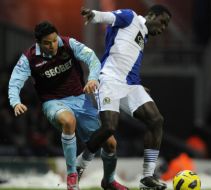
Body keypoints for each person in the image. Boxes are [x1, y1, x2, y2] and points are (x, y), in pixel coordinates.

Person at [8, 21, 128, 190]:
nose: (53, 45)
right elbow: (14, 83)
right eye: (47, 43)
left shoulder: (68, 43)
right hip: (53, 102)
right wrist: (15, 102)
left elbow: (92, 58)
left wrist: (93, 77)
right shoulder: (29, 58)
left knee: (110, 144)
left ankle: (108, 181)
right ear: (38, 43)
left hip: (81, 100)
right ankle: (72, 176)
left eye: (54, 40)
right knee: (68, 121)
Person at [80, 4, 171, 190]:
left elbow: (129, 60)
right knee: (109, 128)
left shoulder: (143, 36)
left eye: (165, 27)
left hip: (130, 85)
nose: (162, 29)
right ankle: (79, 165)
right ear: (152, 15)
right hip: (110, 80)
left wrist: (137, 83)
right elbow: (111, 17)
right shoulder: (131, 17)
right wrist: (94, 14)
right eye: (162, 23)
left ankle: (147, 177)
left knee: (156, 120)